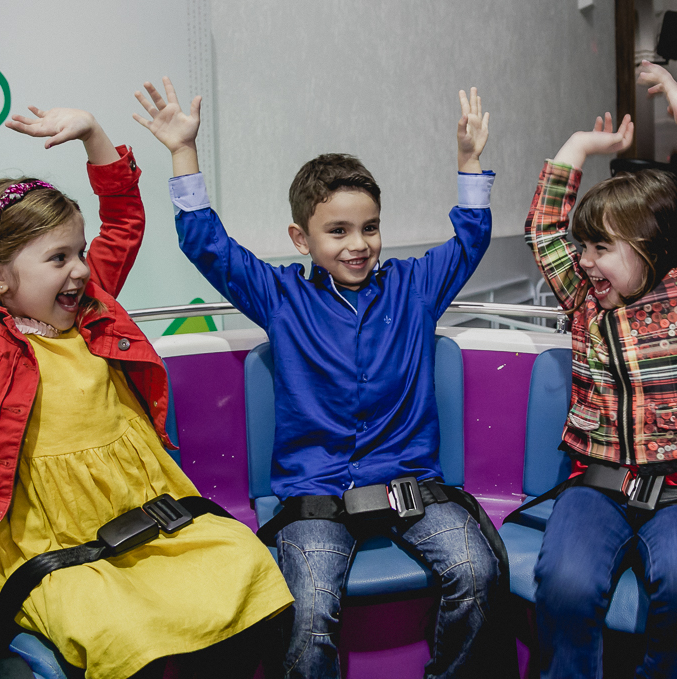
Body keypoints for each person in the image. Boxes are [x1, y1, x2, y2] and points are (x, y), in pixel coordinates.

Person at [0, 56, 292, 679]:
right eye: (58, 258)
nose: (82, 269)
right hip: (57, 549)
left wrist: (93, 133)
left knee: (253, 570)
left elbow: (125, 220)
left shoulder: (93, 309)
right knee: (121, 634)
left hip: (158, 521)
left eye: (81, 252)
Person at [133, 77, 501, 679]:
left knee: (478, 573)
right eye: (338, 231)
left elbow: (470, 238)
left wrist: (468, 162)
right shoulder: (281, 298)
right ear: (300, 239)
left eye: (370, 227)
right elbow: (206, 244)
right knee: (307, 612)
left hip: (411, 484)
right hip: (316, 494)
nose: (359, 245)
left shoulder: (413, 288)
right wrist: (182, 151)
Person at [523, 62, 677, 679]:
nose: (584, 260)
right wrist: (580, 147)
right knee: (564, 585)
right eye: (583, 247)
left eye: (601, 247)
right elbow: (544, 230)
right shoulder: (584, 300)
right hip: (596, 485)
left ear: (652, 244)